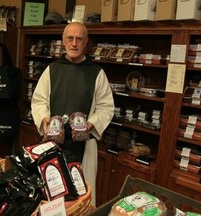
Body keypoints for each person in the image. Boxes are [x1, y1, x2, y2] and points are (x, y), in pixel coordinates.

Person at [31, 22, 114, 206]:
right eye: (70, 38)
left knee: (82, 196)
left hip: (83, 144)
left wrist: (90, 124)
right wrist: (44, 118)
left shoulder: (97, 73)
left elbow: (106, 107)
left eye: (79, 39)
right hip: (54, 142)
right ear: (63, 41)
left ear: (86, 43)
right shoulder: (52, 70)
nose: (74, 43)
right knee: (53, 192)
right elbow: (39, 100)